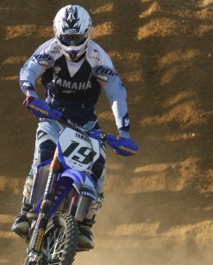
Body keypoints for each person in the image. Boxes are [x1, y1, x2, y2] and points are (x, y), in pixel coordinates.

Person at [11, 4, 131, 250]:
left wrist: (123, 131)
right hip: (53, 117)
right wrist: (31, 94)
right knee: (43, 157)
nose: (73, 45)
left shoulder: (98, 58)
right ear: (58, 34)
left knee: (98, 168)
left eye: (77, 38)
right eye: (68, 38)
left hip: (86, 125)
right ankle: (25, 212)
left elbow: (116, 93)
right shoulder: (50, 50)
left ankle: (85, 225)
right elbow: (28, 70)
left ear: (88, 33)